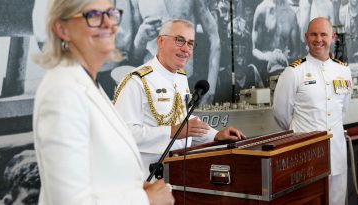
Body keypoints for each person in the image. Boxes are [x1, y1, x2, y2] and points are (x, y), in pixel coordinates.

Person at [32, 0, 174, 204]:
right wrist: (145, 199)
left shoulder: (88, 83)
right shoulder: (62, 92)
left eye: (111, 13)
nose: (108, 23)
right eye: (93, 15)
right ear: (61, 29)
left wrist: (132, 186)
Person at [113, 19, 245, 178]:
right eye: (179, 40)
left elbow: (185, 120)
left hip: (180, 176)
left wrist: (215, 135)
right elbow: (123, 135)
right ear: (161, 41)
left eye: (190, 43)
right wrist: (171, 131)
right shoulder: (136, 81)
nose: (186, 49)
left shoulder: (181, 77)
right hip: (145, 180)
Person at [273, 17, 352, 205]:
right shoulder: (294, 72)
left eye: (324, 34)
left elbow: (343, 109)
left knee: (336, 201)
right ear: (306, 37)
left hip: (336, 153)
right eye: (314, 34)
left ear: (332, 37)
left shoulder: (344, 71)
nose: (319, 39)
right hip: (305, 157)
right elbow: (281, 114)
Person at [129, 0, 220, 104]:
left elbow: (214, 37)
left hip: (183, 82)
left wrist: (211, 89)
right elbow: (134, 55)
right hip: (149, 83)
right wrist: (140, 39)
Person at [251, 0, 300, 87]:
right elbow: (254, 49)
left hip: (284, 71)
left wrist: (286, 58)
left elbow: (296, 51)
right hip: (264, 72)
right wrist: (267, 57)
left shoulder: (291, 14)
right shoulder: (262, 10)